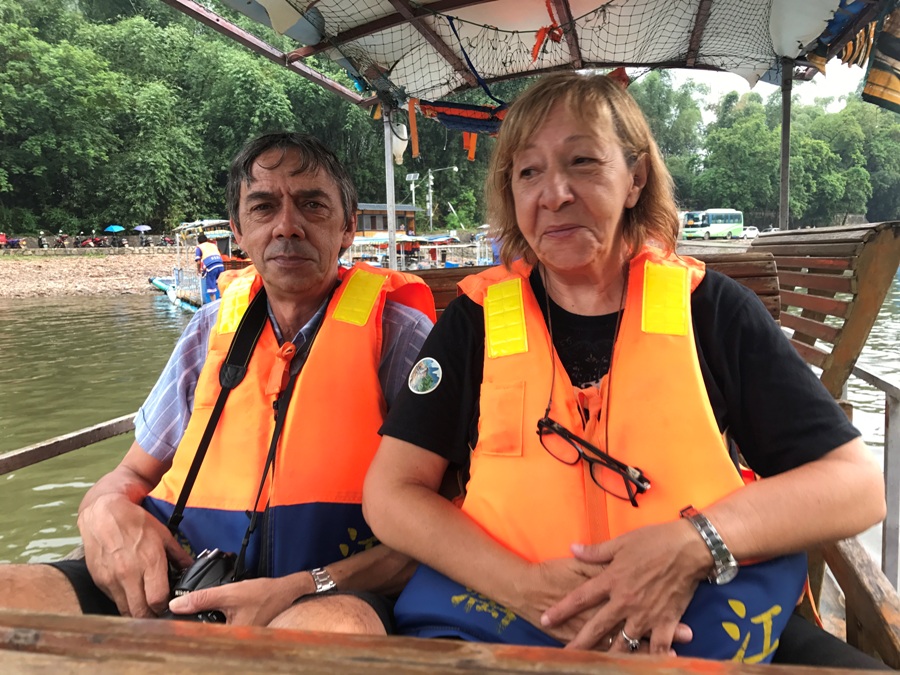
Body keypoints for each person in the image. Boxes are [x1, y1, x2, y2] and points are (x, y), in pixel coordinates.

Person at [363, 72, 886, 665]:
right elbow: (390, 493)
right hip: (505, 623)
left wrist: (693, 545)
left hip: (695, 624)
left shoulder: (709, 312)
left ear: (635, 179)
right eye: (528, 171)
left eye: (582, 161)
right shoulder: (474, 323)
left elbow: (856, 487)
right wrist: (524, 589)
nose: (553, 193)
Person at [0, 132, 435, 635]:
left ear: (347, 230)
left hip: (330, 590)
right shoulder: (208, 330)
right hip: (182, 581)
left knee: (328, 632)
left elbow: (440, 524)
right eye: (263, 207)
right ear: (238, 230)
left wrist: (301, 587)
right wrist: (100, 514)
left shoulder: (402, 338)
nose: (286, 227)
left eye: (312, 206)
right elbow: (127, 477)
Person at [195, 232, 226, 303]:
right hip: (220, 264)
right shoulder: (213, 245)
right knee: (219, 282)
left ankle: (213, 303)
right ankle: (223, 300)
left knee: (211, 285)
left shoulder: (199, 247)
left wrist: (198, 270)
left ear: (199, 242)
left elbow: (198, 261)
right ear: (207, 240)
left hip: (211, 266)